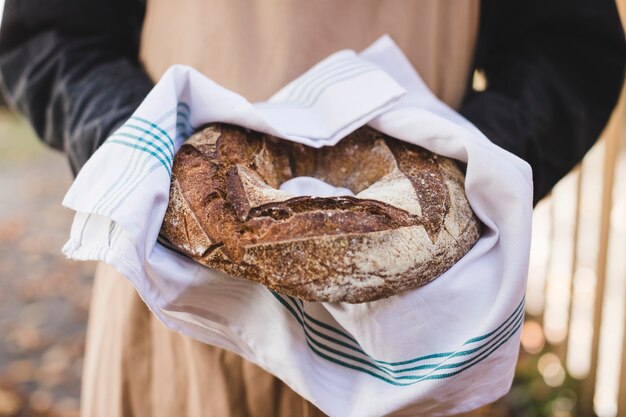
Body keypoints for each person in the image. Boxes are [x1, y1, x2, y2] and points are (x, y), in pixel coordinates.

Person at [0, 0, 624, 416]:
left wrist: (465, 168)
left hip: (414, 342)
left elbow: (570, 49)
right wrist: (145, 150)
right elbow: (52, 35)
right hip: (183, 323)